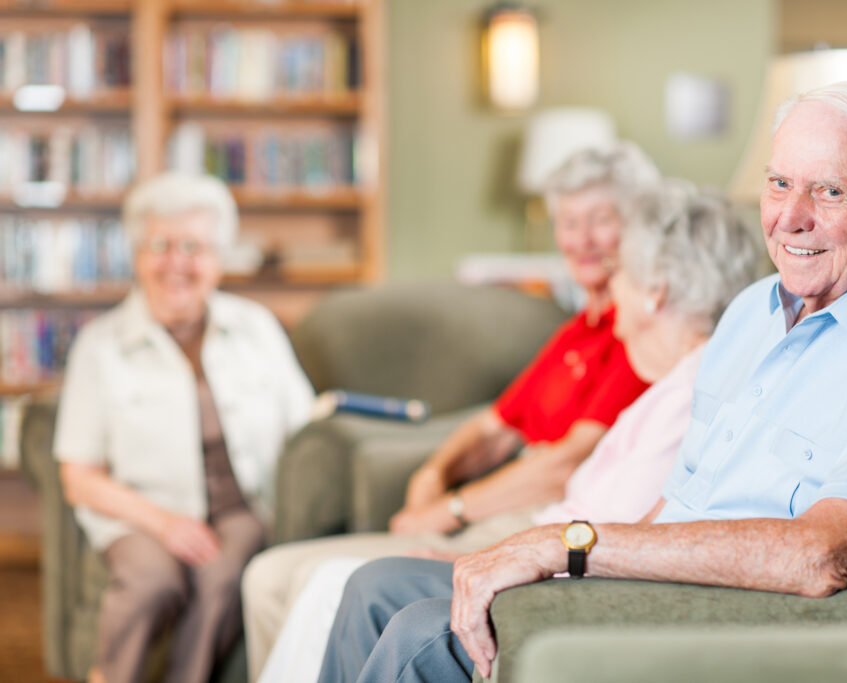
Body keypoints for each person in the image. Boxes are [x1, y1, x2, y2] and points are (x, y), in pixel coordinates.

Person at [317, 81, 847, 683]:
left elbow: (823, 553)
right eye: (778, 182)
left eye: (828, 191)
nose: (790, 217)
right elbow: (678, 501)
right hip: (643, 580)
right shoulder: (753, 309)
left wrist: (571, 543)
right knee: (375, 587)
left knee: (419, 639)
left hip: (732, 615)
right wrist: (563, 564)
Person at [253, 179, 759, 683]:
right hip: (545, 553)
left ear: (656, 294)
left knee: (372, 587)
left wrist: (475, 543)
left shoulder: (689, 395)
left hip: (564, 578)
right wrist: (442, 487)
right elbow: (500, 425)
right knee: (367, 584)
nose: (609, 282)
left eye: (618, 268)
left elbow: (623, 538)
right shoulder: (667, 382)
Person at [54, 172, 315, 683]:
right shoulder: (100, 346)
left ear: (217, 260)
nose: (177, 262)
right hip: (141, 511)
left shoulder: (256, 329)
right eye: (161, 245)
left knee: (221, 577)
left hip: (240, 507)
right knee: (151, 581)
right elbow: (79, 476)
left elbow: (305, 427)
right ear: (138, 255)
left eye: (193, 246)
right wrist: (166, 524)